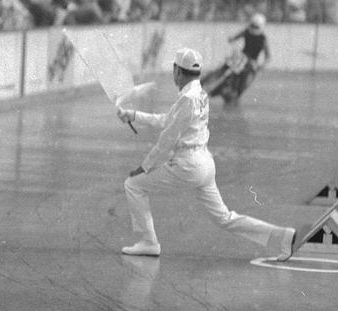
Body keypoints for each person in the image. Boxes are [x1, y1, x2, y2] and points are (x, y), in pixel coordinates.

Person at [115, 48, 297, 259]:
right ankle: (282, 236)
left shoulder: (187, 99)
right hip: (204, 164)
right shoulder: (198, 94)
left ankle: (149, 242)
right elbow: (169, 120)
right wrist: (134, 115)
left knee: (133, 184)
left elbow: (167, 139)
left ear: (178, 72)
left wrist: (145, 167)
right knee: (225, 218)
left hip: (187, 166)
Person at [202, 13, 271, 105]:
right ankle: (203, 83)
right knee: (222, 69)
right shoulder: (247, 32)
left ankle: (234, 94)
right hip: (241, 57)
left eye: (256, 26)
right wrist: (232, 39)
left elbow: (268, 56)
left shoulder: (262, 38)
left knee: (245, 82)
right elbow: (235, 38)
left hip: (251, 63)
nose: (254, 28)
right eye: (253, 26)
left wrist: (261, 66)